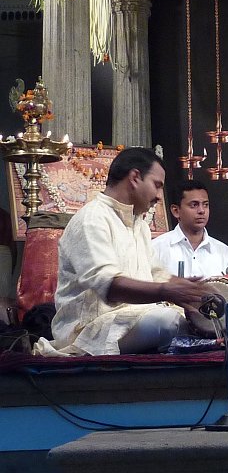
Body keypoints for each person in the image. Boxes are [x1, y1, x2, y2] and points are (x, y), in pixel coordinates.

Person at [33, 148, 211, 356]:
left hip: (136, 317)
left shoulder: (139, 226)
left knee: (199, 318)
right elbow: (108, 285)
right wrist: (166, 291)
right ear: (135, 177)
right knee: (168, 322)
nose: (159, 196)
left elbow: (155, 274)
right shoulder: (92, 219)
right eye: (157, 185)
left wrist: (193, 290)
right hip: (91, 328)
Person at [152, 179, 228, 279]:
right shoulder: (156, 248)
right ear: (176, 211)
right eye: (194, 205)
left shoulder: (225, 253)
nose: (201, 211)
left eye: (205, 205)